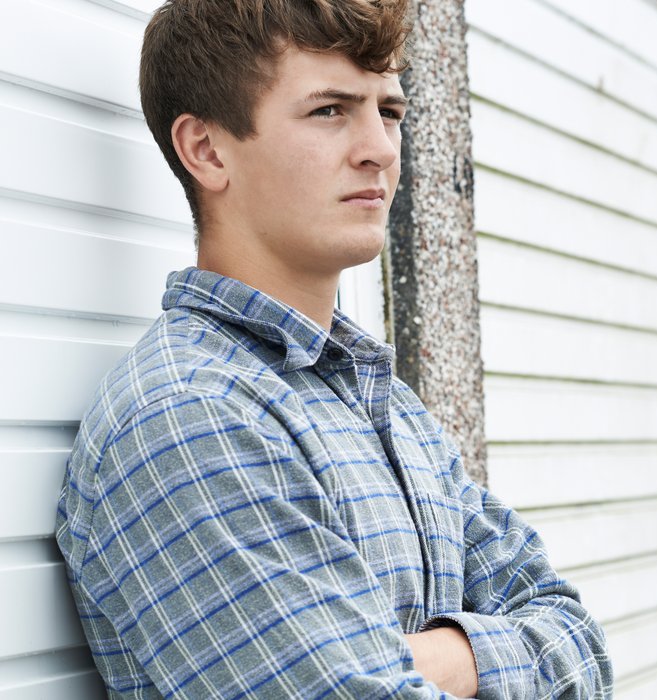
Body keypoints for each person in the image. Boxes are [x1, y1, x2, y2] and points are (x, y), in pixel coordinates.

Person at [54, 1, 612, 698]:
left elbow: (581, 642)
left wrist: (423, 660)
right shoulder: (192, 419)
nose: (378, 147)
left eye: (391, 111)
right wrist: (486, 652)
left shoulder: (383, 405)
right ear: (206, 149)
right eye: (329, 110)